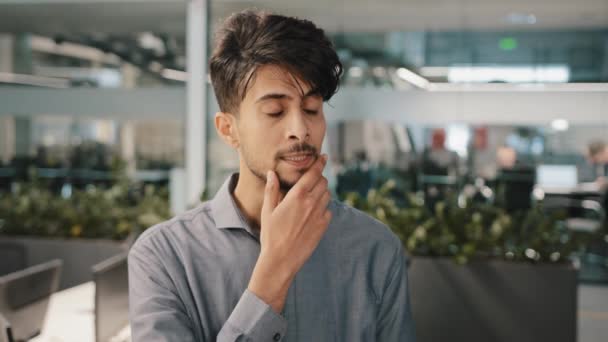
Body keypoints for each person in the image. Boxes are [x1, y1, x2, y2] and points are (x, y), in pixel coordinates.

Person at [128, 10, 415, 342]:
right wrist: (271, 278)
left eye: (311, 109)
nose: (300, 130)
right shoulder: (164, 257)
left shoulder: (375, 249)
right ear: (228, 129)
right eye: (275, 111)